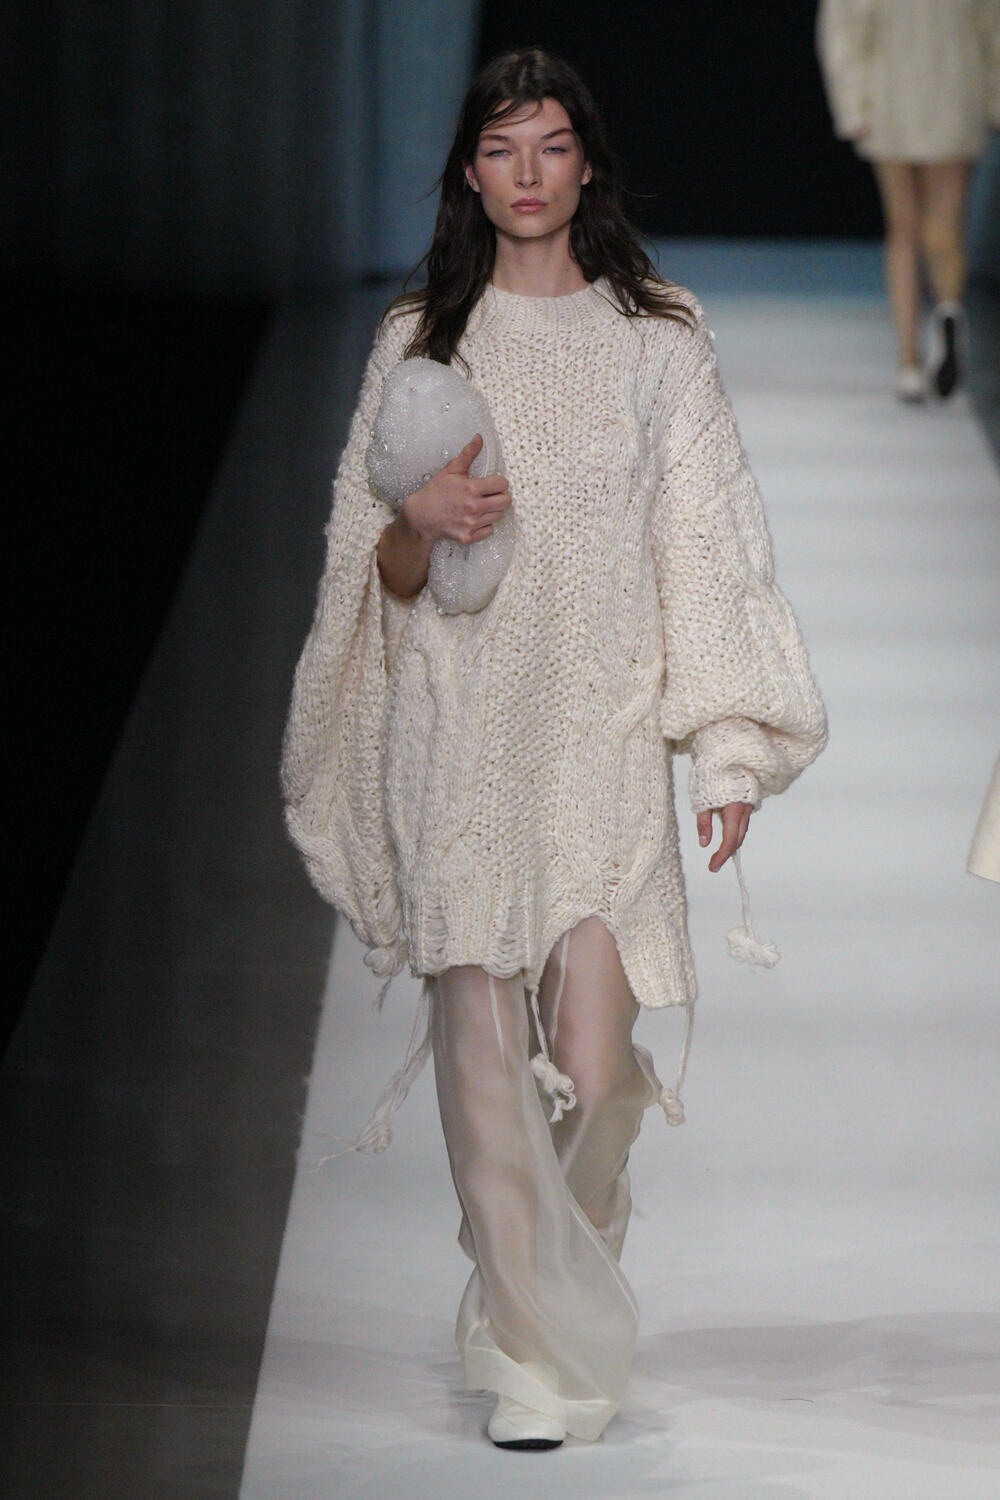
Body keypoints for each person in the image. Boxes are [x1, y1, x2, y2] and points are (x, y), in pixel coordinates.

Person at [281, 47, 827, 1451]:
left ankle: (538, 1294)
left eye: (552, 147)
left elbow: (708, 549)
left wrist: (723, 749)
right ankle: (535, 1354)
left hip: (599, 739)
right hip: (458, 732)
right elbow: (364, 573)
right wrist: (419, 524)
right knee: (482, 1059)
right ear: (469, 172)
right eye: (500, 149)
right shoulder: (421, 341)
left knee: (592, 1061)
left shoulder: (661, 340)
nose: (527, 175)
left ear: (587, 164)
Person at [816, 0, 1000, 402]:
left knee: (903, 231)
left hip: (890, 99)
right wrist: (995, 100)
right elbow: (993, 25)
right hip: (957, 94)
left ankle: (909, 364)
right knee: (946, 230)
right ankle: (948, 310)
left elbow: (843, 32)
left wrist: (851, 107)